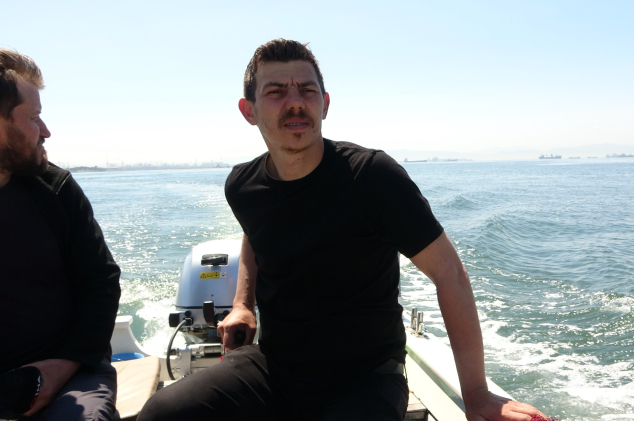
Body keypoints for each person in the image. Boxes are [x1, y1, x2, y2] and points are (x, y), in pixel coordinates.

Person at [138, 39, 546, 421]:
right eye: (276, 91)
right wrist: (243, 303)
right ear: (249, 111)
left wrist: (476, 392)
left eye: (307, 90)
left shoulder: (372, 177)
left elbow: (450, 275)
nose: (295, 102)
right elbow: (254, 232)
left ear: (325, 104)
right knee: (163, 413)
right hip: (276, 366)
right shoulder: (242, 186)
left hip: (366, 378)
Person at [0, 49, 121, 421]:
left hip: (72, 371)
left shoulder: (56, 190)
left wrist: (62, 366)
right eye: (34, 117)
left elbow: (101, 283)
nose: (46, 130)